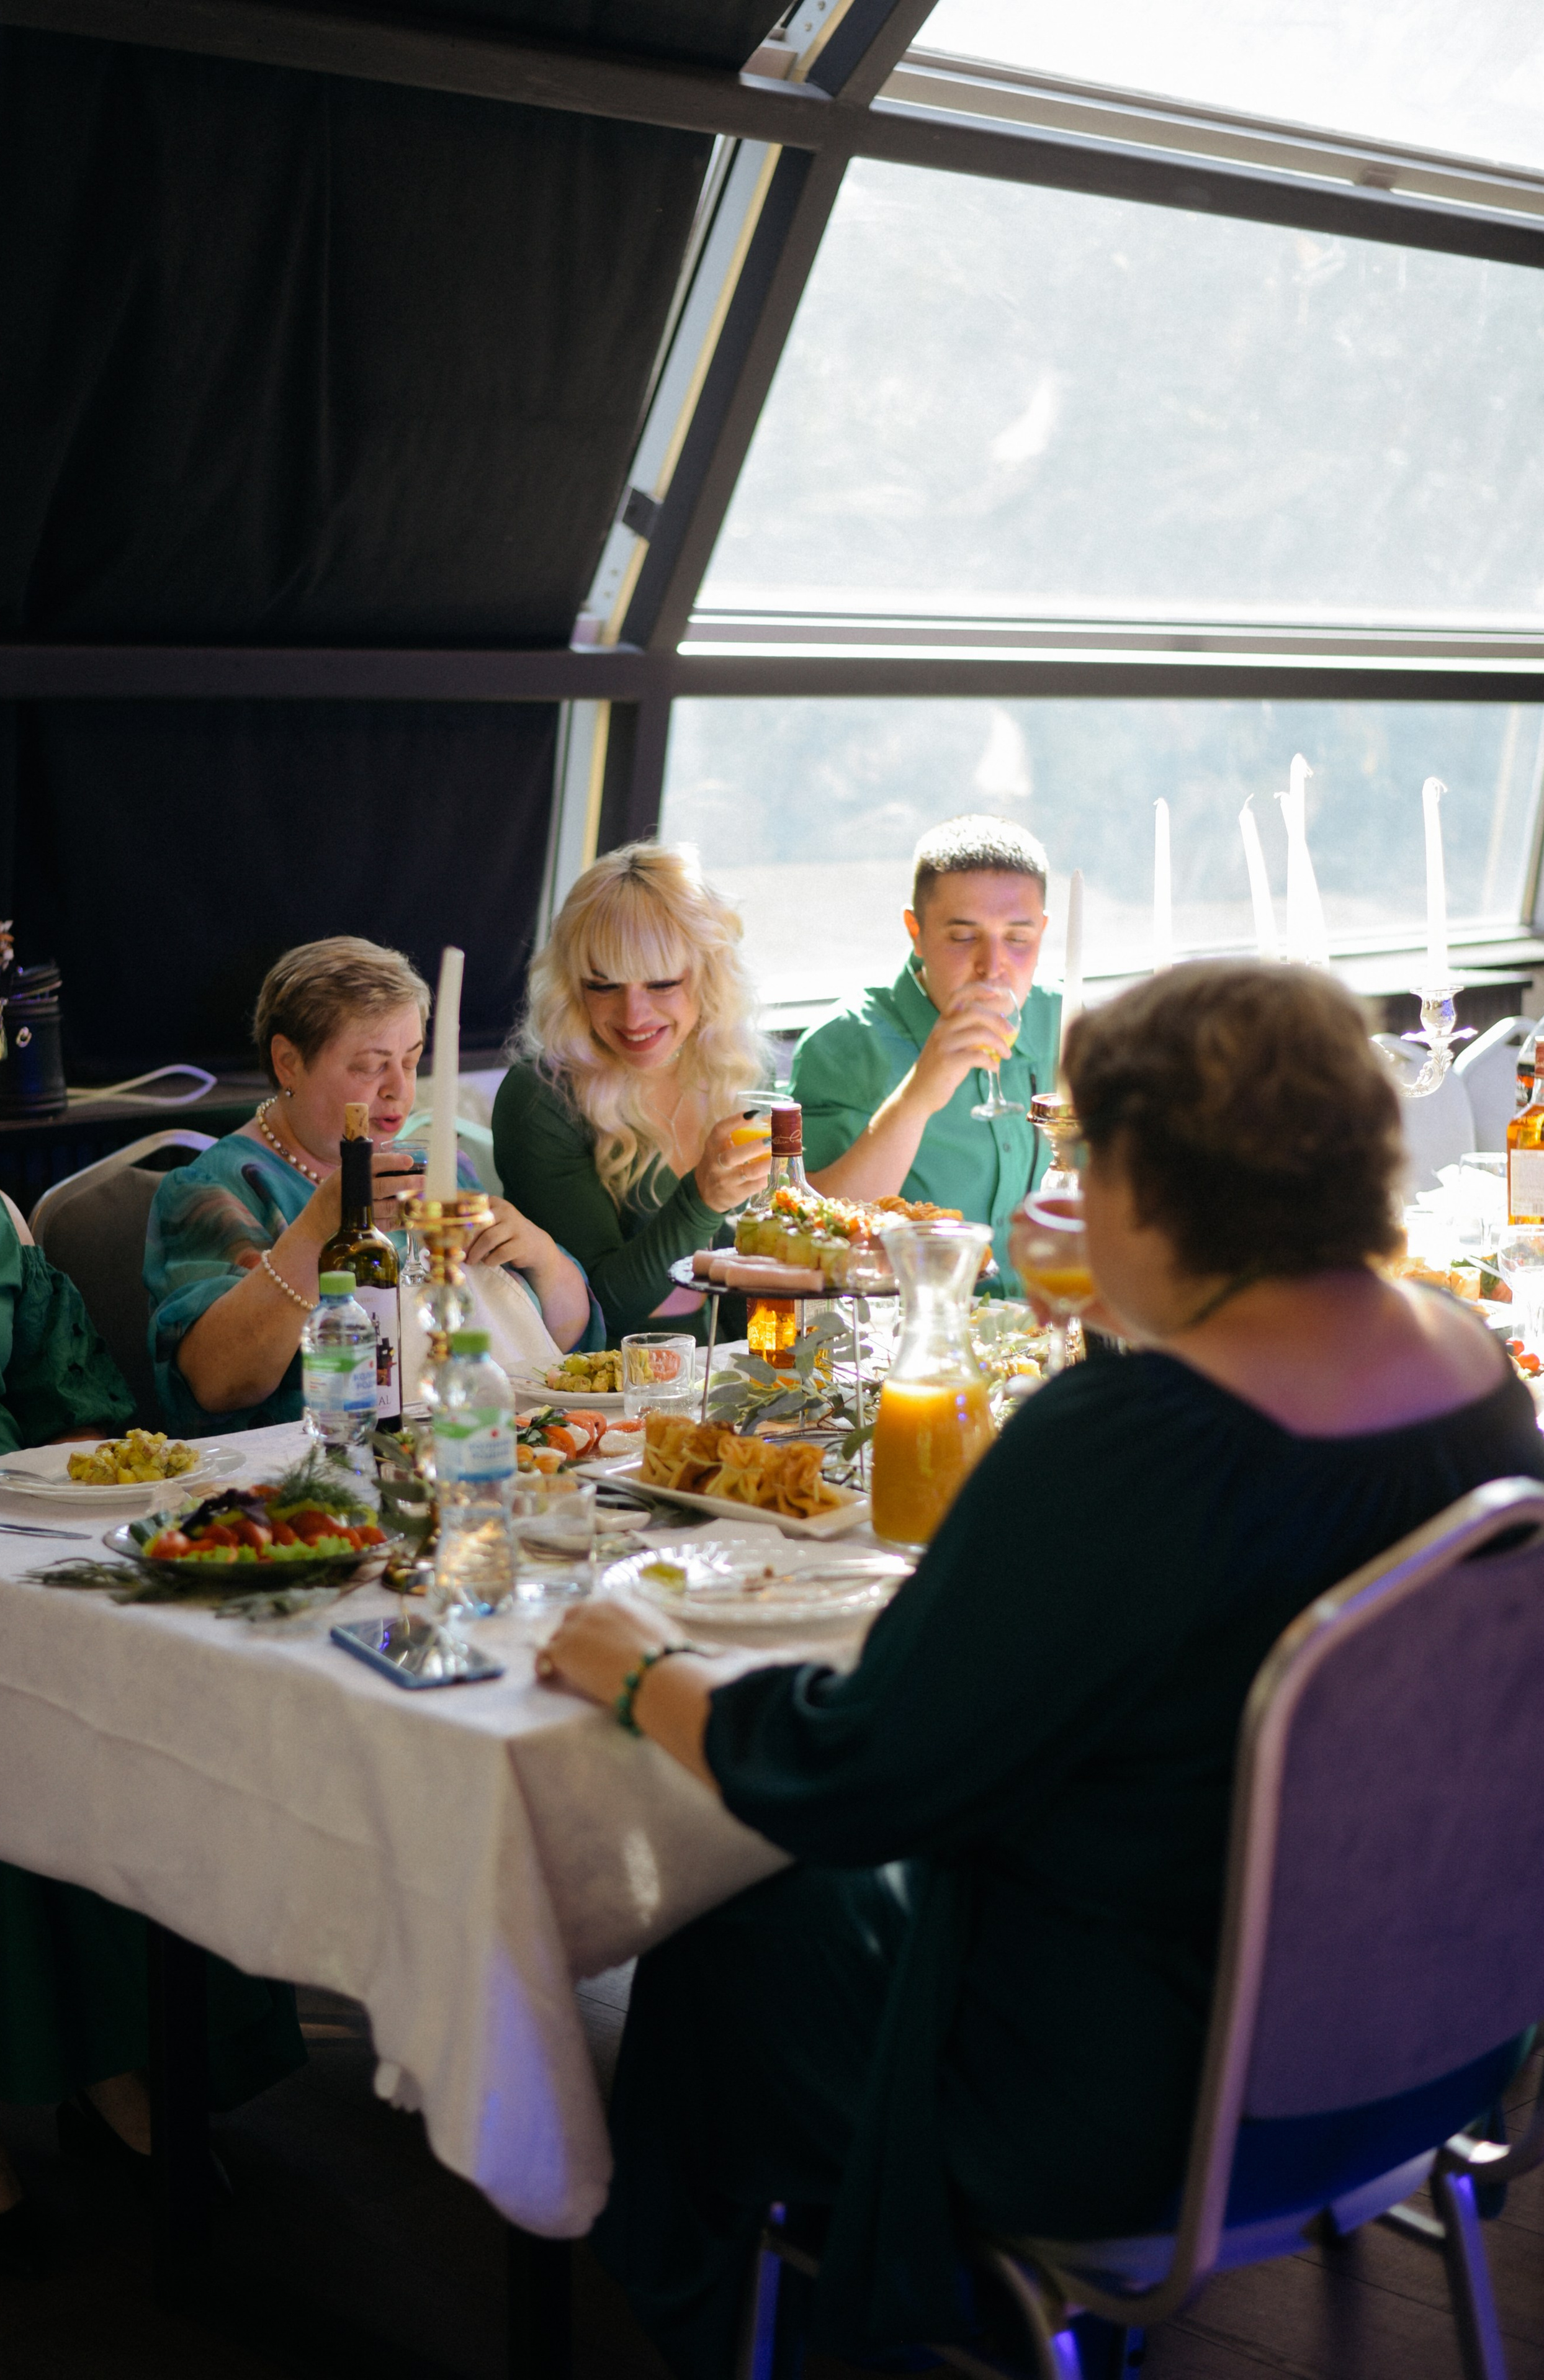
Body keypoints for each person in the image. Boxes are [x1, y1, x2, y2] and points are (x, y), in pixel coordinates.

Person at [539, 961, 1543, 2377]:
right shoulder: (1474, 1379)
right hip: (1431, 2045)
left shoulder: (1133, 1437)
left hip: (1144, 2112)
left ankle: (764, 2324)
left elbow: (858, 1770)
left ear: (1150, 1181)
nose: (1063, 1185)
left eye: (1083, 1153)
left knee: (729, 1915)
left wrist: (645, 1669)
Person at [0, 1170, 302, 2269]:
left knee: (127, 1678)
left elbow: (74, 1391)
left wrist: (91, 1495)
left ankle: (114, 2057)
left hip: (6, 1510)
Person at [146, 936, 598, 1435]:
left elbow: (562, 1346)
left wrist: (543, 1258)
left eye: (411, 1060)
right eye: (369, 1065)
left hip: (478, 1445)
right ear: (288, 1062)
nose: (399, 1090)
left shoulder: (437, 1168)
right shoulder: (214, 1191)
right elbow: (215, 1385)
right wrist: (320, 1228)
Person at [494, 846, 773, 1345]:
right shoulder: (542, 1098)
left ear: (709, 973)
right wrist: (701, 1200)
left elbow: (765, 1278)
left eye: (662, 983)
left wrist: (782, 1374)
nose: (633, 1015)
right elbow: (600, 1314)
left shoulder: (741, 1073)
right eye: (604, 986)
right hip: (609, 1395)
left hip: (731, 1376)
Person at [789, 815, 1059, 1291]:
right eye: (962, 936)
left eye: (1017, 939)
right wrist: (917, 1097)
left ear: (1041, 931)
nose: (992, 967)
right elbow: (816, 1237)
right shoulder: (847, 1044)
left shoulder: (1068, 1023)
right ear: (915, 930)